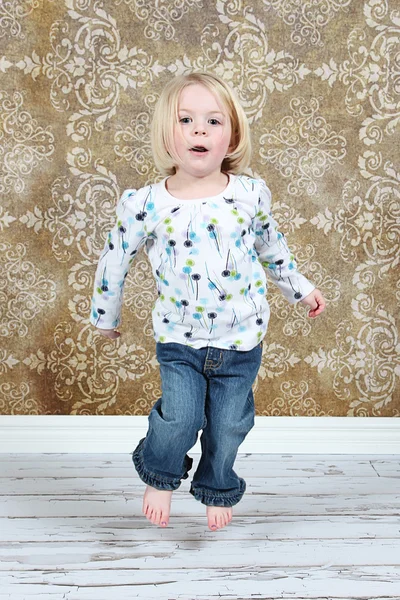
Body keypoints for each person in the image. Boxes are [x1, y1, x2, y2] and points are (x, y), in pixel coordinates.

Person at [89, 72, 326, 532]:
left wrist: (301, 288)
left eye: (213, 121)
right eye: (186, 120)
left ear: (231, 135)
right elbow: (114, 259)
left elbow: (272, 249)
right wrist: (106, 316)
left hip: (242, 340)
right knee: (180, 418)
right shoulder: (145, 204)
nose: (199, 130)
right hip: (179, 340)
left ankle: (217, 484)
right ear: (167, 134)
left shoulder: (248, 194)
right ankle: (160, 474)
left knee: (230, 425)